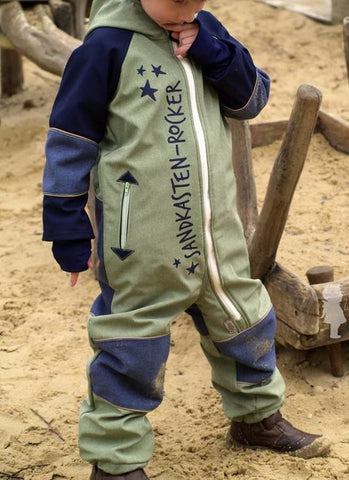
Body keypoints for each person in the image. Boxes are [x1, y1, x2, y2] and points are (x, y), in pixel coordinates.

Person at [42, 0, 331, 478]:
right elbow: (69, 143)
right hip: (141, 244)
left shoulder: (205, 31)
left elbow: (252, 99)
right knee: (132, 342)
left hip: (218, 235)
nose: (186, 13)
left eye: (196, 3)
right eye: (175, 5)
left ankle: (257, 419)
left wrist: (213, 50)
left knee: (245, 318)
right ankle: (115, 463)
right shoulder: (105, 48)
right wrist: (67, 228)